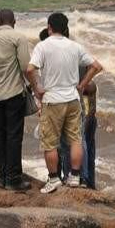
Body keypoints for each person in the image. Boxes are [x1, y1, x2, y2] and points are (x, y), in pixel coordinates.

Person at [26, 13, 103, 194]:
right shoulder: (75, 46)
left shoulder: (43, 46)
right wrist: (82, 85)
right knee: (75, 139)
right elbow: (97, 66)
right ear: (66, 27)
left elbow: (30, 69)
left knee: (50, 142)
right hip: (73, 99)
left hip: (53, 100)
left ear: (49, 27)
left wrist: (37, 88)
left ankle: (53, 179)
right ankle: (75, 177)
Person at [38, 27, 98, 189]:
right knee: (83, 145)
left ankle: (72, 177)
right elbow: (92, 83)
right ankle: (85, 180)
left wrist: (79, 87)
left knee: (67, 144)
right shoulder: (76, 51)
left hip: (68, 104)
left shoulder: (56, 55)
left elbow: (90, 85)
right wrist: (82, 88)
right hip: (80, 105)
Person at [0, 9, 31, 191]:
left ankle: (1, 176)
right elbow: (26, 67)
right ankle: (14, 178)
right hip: (14, 94)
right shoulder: (18, 38)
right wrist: (35, 87)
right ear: (14, 21)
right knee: (14, 136)